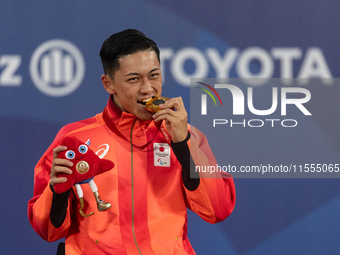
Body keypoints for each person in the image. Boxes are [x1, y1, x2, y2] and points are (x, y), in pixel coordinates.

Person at [28, 29, 236, 255]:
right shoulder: (74, 138)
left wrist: (183, 142)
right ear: (109, 84)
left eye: (154, 75)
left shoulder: (183, 134)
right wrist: (56, 192)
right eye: (134, 79)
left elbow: (219, 210)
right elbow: (47, 230)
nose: (148, 89)